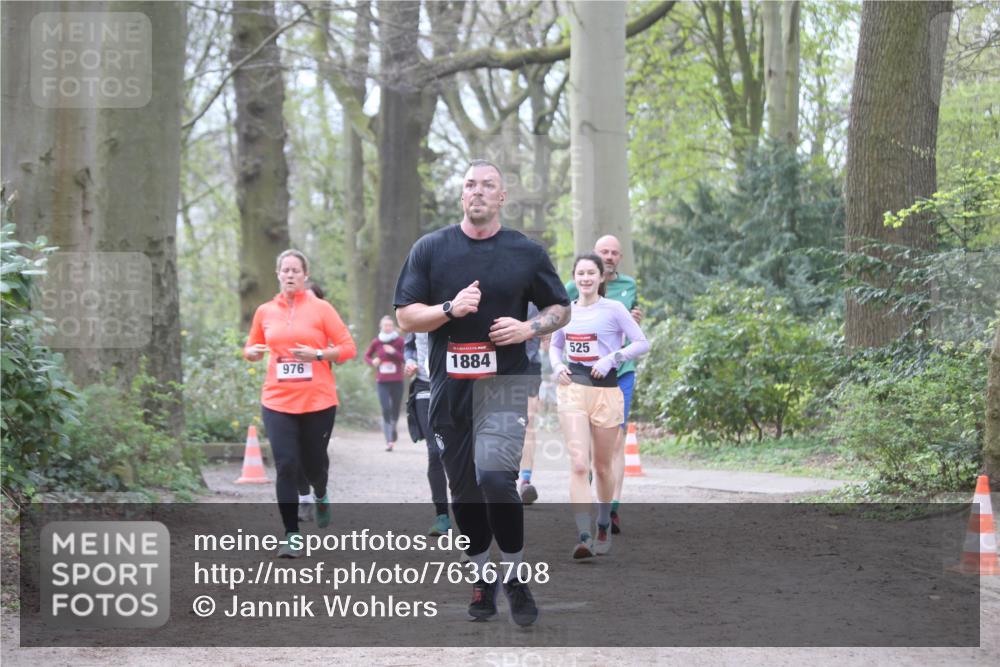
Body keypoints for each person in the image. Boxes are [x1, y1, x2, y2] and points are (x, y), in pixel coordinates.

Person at [394, 159, 570, 627]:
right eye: (470, 184)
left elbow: (560, 308)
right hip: (449, 390)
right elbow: (406, 317)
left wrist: (529, 326)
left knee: (495, 479)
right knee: (465, 494)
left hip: (504, 385)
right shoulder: (430, 249)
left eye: (487, 185)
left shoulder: (525, 252)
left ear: (502, 196)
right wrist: (450, 309)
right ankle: (481, 577)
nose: (477, 192)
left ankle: (514, 574)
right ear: (462, 195)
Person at [244, 250, 356, 557]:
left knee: (314, 464)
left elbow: (348, 349)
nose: (290, 274)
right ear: (277, 274)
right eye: (285, 270)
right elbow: (252, 345)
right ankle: (291, 534)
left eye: (296, 270)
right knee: (287, 466)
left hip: (318, 400)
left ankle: (320, 493)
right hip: (277, 400)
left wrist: (319, 355)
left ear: (305, 275)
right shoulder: (265, 311)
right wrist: (251, 352)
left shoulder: (322, 309)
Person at [552, 254, 649, 558]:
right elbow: (555, 346)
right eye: (580, 273)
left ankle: (604, 522)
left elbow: (641, 343)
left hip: (607, 390)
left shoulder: (614, 309)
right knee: (580, 463)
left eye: (590, 273)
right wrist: (556, 366)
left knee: (602, 466)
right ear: (574, 277)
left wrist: (612, 358)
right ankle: (584, 535)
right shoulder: (565, 311)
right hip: (574, 388)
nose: (585, 278)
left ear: (600, 278)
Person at [404, 331, 451, 536]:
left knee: (460, 453)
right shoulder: (415, 309)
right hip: (425, 385)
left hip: (455, 384)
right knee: (435, 450)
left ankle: (473, 512)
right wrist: (410, 360)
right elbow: (409, 345)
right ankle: (442, 515)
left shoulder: (457, 305)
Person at [365, 316, 406, 451]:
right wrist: (373, 362)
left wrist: (394, 352)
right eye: (385, 325)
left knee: (395, 409)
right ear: (381, 327)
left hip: (397, 381)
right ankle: (389, 440)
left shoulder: (399, 341)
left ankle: (393, 429)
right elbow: (367, 356)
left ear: (393, 327)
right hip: (382, 381)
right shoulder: (376, 342)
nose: (387, 327)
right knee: (385, 409)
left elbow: (406, 358)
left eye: (390, 325)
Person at [518, 302, 544, 505]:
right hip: (497, 363)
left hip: (530, 364)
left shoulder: (538, 292)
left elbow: (556, 318)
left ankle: (525, 480)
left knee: (528, 421)